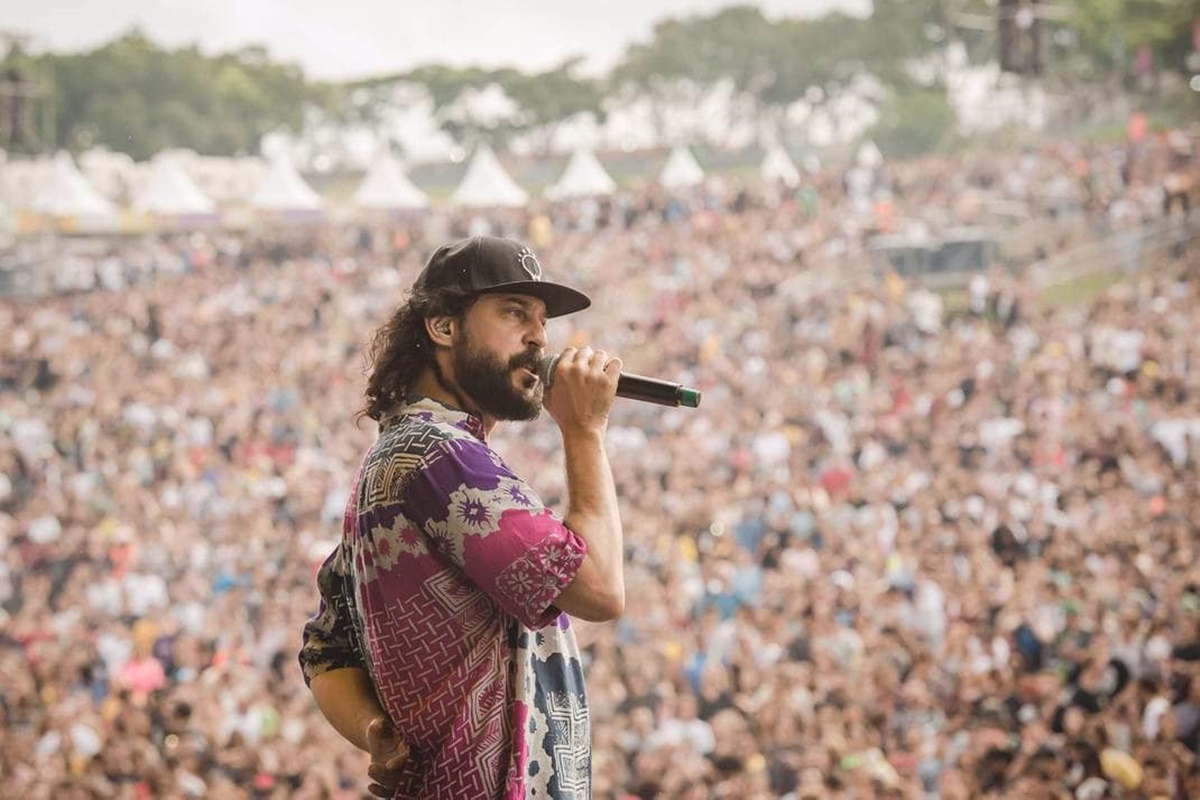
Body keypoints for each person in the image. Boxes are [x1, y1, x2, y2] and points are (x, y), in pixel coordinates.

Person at [298, 235, 627, 799]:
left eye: (542, 321)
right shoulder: (438, 455)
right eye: (513, 313)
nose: (538, 338)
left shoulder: (399, 456)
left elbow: (327, 650)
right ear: (443, 327)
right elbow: (600, 590)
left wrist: (377, 733)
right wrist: (584, 430)